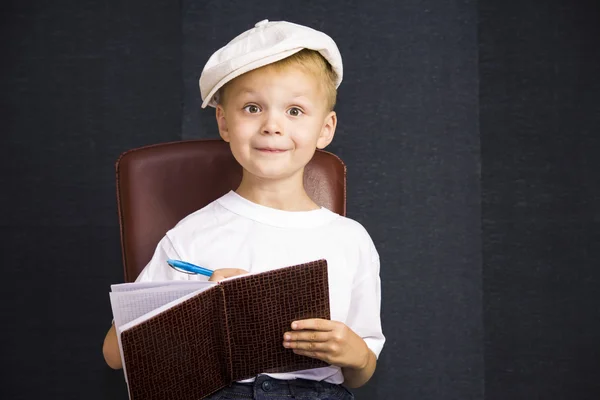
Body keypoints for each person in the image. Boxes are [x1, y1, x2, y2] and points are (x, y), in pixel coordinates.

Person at [102, 19, 384, 399]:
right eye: (253, 108)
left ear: (325, 128)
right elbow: (115, 355)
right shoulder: (192, 234)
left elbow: (361, 372)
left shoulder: (351, 240)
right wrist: (195, 307)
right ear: (224, 121)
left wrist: (355, 354)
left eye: (295, 111)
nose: (272, 125)